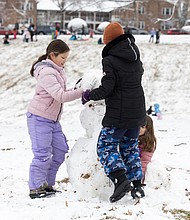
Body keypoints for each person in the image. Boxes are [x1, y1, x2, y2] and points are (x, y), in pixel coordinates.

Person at [81, 22, 146, 202]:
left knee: (105, 145)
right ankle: (137, 186)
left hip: (119, 112)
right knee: (129, 147)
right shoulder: (135, 55)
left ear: (108, 40)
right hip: (137, 110)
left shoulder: (110, 60)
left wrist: (89, 95)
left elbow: (108, 87)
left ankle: (120, 180)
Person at [26, 39, 84, 199]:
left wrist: (79, 88)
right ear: (52, 55)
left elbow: (61, 92)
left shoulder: (57, 70)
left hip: (52, 120)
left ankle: (47, 183)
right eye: (63, 58)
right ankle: (36, 187)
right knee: (42, 154)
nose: (65, 61)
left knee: (60, 150)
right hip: (39, 118)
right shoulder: (46, 72)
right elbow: (61, 96)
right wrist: (82, 92)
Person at [139, 115, 156, 183]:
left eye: (142, 127)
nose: (139, 129)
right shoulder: (131, 139)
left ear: (148, 129)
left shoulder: (147, 143)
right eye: (137, 126)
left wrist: (140, 176)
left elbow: (144, 161)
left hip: (138, 168)